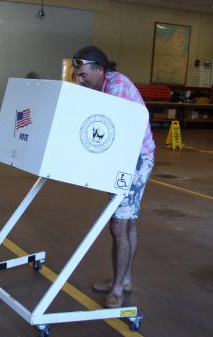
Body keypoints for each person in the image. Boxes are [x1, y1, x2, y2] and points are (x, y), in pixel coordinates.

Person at [72, 46, 155, 308]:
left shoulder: (116, 86)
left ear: (99, 68)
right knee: (127, 223)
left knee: (119, 225)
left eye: (84, 74)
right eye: (78, 75)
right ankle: (124, 279)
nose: (80, 79)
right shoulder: (105, 86)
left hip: (135, 160)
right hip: (128, 158)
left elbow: (110, 130)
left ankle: (118, 288)